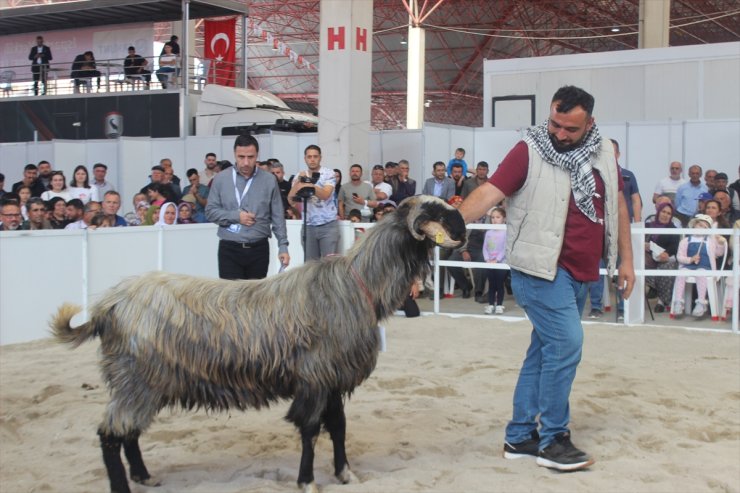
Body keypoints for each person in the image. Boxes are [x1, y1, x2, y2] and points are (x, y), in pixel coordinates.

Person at [459, 85, 634, 471]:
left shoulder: (604, 151)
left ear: (590, 123)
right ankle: (554, 438)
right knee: (568, 344)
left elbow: (616, 202)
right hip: (539, 270)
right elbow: (489, 192)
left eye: (570, 128)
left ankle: (520, 435)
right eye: (555, 123)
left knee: (544, 352)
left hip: (582, 272)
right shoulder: (529, 149)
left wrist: (627, 259)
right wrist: (449, 222)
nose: (559, 134)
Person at [206, 135, 290, 280]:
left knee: (255, 300)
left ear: (257, 155)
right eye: (241, 157)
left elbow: (277, 215)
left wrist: (283, 246)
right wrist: (236, 217)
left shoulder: (269, 180)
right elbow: (210, 212)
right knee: (230, 298)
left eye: (250, 157)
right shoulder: (221, 179)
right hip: (229, 248)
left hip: (259, 249)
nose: (245, 162)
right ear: (234, 154)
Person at [288, 144, 339, 260]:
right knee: (310, 266)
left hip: (328, 225)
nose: (312, 159)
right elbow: (291, 200)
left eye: (315, 156)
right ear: (305, 158)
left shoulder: (328, 173)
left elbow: (326, 195)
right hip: (308, 226)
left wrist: (307, 184)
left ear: (320, 158)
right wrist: (298, 182)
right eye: (309, 157)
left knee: (329, 265)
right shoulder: (299, 175)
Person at [671, 214, 727, 317]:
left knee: (701, 273)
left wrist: (719, 243)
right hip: (688, 266)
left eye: (704, 226)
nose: (701, 227)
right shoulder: (685, 241)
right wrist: (690, 259)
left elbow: (719, 253)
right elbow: (679, 257)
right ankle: (678, 301)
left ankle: (701, 303)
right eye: (699, 224)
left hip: (705, 267)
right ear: (694, 225)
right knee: (681, 274)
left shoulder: (710, 241)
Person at [644, 202, 680, 313]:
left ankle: (662, 301)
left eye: (668, 213)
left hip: (664, 258)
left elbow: (673, 247)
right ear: (658, 212)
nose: (665, 215)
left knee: (667, 266)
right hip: (647, 258)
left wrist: (665, 253)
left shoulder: (673, 229)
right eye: (663, 212)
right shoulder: (648, 226)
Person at [483, 207, 508, 315]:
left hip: (501, 263)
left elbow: (505, 248)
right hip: (489, 262)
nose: (495, 220)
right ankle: (490, 304)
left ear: (504, 218)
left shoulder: (506, 231)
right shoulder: (488, 232)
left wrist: (497, 260)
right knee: (491, 284)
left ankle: (499, 304)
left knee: (499, 284)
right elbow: (485, 247)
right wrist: (487, 258)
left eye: (498, 217)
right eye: (492, 217)